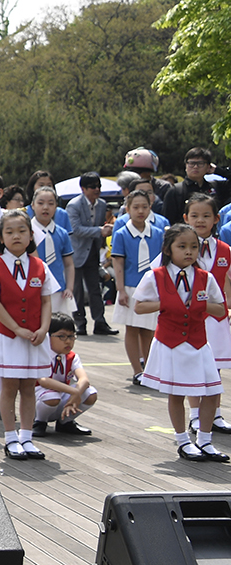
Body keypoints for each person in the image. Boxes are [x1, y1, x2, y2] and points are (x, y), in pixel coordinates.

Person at [136, 223, 228, 462]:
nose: (189, 252)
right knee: (176, 393)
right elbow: (139, 306)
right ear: (168, 249)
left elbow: (220, 309)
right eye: (182, 246)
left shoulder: (205, 277)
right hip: (171, 341)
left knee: (211, 390)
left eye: (194, 247)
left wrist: (202, 304)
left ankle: (205, 441)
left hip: (198, 342)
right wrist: (165, 303)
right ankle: (183, 441)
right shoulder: (155, 276)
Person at [0, 209, 57, 461]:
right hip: (8, 337)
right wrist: (16, 328)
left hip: (34, 337)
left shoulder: (40, 266)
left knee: (29, 388)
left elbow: (46, 301)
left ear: (31, 236)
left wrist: (44, 328)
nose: (16, 236)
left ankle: (27, 437)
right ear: (1, 238)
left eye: (22, 231)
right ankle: (10, 438)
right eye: (9, 232)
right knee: (9, 387)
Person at [186, 193, 231, 435]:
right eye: (195, 215)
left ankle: (215, 413)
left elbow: (228, 282)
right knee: (195, 366)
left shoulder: (225, 249)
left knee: (216, 368)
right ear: (186, 218)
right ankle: (195, 415)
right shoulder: (178, 247)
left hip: (217, 318)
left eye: (206, 216)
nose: (200, 220)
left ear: (217, 219)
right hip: (191, 319)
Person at [110, 190, 163, 387]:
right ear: (127, 209)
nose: (140, 211)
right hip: (131, 286)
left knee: (149, 330)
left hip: (151, 288)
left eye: (145, 207)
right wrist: (121, 289)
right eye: (136, 207)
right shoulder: (122, 233)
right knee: (131, 329)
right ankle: (137, 371)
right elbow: (118, 263)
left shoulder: (158, 233)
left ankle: (150, 370)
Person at [67, 172, 116, 336]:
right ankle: (79, 323)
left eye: (98, 186)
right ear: (83, 188)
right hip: (77, 252)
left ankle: (100, 322)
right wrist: (99, 231)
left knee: (95, 288)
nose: (97, 189)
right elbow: (75, 229)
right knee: (78, 291)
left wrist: (105, 232)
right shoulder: (74, 205)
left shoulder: (102, 204)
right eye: (93, 187)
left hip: (93, 253)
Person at [32, 315, 97, 436]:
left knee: (90, 393)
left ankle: (66, 422)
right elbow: (44, 381)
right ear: (47, 336)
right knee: (52, 397)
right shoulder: (40, 354)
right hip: (38, 398)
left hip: (61, 396)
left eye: (71, 336)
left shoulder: (71, 357)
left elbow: (84, 379)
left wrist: (76, 392)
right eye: (62, 336)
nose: (68, 341)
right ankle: (39, 422)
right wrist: (74, 392)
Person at [30, 185, 75, 314]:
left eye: (50, 204)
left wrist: (69, 287)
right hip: (34, 288)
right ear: (33, 205)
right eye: (40, 203)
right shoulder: (26, 232)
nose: (45, 207)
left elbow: (69, 263)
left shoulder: (62, 233)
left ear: (56, 207)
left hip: (58, 289)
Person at [163, 147, 230, 222]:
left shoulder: (216, 186)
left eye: (200, 163)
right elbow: (168, 221)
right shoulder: (175, 191)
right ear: (186, 166)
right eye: (191, 163)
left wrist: (218, 170)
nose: (195, 167)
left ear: (208, 166)